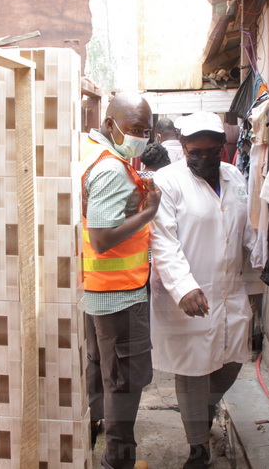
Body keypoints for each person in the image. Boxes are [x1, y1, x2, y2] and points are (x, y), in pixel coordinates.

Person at [149, 111, 253, 469]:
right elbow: (162, 240)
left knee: (233, 358)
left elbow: (246, 228)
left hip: (229, 288)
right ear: (183, 145)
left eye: (213, 152)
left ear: (223, 148)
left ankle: (203, 411)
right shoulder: (167, 180)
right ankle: (198, 446)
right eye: (196, 152)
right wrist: (183, 288)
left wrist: (262, 270)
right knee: (192, 370)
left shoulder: (235, 175)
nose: (205, 159)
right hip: (188, 293)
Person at [81, 92, 161, 469]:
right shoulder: (112, 168)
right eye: (134, 130)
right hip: (119, 298)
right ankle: (118, 461)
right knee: (125, 383)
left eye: (146, 131)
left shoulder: (99, 154)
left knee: (102, 372)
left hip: (100, 294)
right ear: (111, 124)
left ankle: (98, 439)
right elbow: (100, 239)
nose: (141, 137)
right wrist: (148, 213)